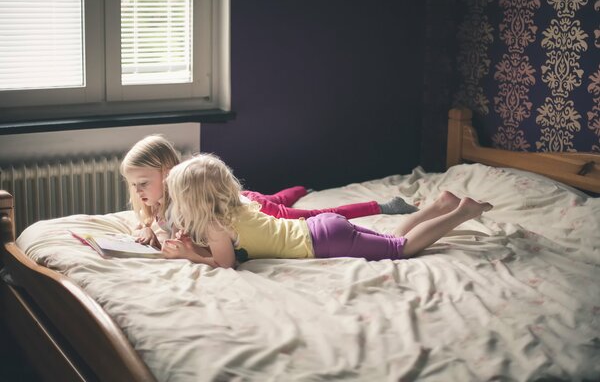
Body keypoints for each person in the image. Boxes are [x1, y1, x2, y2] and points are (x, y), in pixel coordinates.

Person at [161, 154, 493, 267]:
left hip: (323, 243)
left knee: (400, 249)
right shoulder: (241, 203)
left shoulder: (217, 227)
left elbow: (224, 262)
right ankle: (439, 204)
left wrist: (191, 255)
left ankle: (460, 212)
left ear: (195, 202)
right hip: (324, 227)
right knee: (392, 238)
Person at [120, 135, 417, 248]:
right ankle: (301, 188)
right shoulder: (159, 198)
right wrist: (144, 226)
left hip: (250, 207)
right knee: (274, 198)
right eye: (134, 185)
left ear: (167, 173)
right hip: (244, 202)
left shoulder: (186, 195)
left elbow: (179, 236)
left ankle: (382, 206)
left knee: (305, 213)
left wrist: (157, 233)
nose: (138, 191)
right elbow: (149, 220)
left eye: (143, 183)